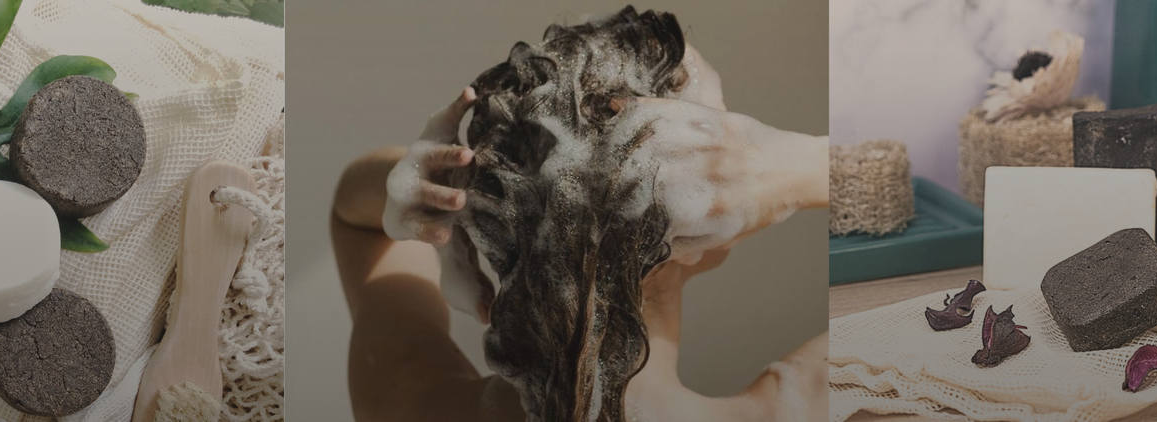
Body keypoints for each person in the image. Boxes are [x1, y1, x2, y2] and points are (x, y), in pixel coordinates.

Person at [331, 81, 829, 421]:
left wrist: (436, 185)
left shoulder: (412, 402)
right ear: (699, 225)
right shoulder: (804, 403)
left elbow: (352, 220)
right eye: (721, 145)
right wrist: (798, 165)